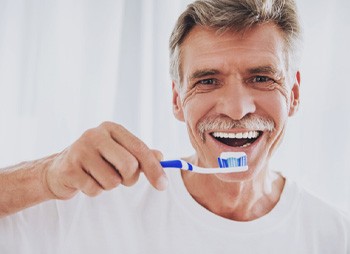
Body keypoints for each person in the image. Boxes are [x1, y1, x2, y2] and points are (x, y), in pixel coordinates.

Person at [0, 0, 349, 253]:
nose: (237, 108)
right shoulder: (94, 204)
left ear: (295, 94)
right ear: (177, 99)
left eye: (261, 77)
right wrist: (45, 177)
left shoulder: (334, 236)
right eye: (208, 81)